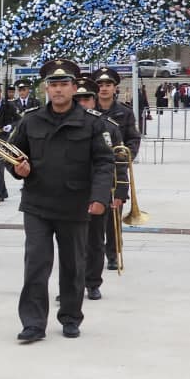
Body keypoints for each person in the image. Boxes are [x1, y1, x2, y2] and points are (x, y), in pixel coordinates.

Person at [7, 59, 114, 342]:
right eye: (53, 85)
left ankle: (70, 317)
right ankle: (33, 323)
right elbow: (13, 154)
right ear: (46, 88)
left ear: (74, 87)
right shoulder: (30, 120)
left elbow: (104, 163)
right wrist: (18, 168)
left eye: (63, 84)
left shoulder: (92, 124)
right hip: (37, 204)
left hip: (75, 205)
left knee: (73, 265)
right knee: (36, 265)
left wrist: (100, 198)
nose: (58, 90)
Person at [74, 77, 125, 301]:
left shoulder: (108, 127)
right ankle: (72, 284)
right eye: (79, 99)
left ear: (94, 100)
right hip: (70, 191)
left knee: (95, 241)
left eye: (86, 98)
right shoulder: (64, 123)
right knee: (72, 244)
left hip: (98, 190)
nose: (83, 103)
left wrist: (120, 193)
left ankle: (93, 282)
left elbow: (120, 162)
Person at [93, 67, 141, 272]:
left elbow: (133, 139)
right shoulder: (86, 110)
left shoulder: (125, 112)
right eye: (100, 85)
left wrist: (124, 154)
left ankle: (113, 254)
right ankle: (92, 254)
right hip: (93, 170)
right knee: (93, 217)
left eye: (108, 85)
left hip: (116, 170)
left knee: (114, 214)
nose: (104, 89)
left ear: (115, 88)